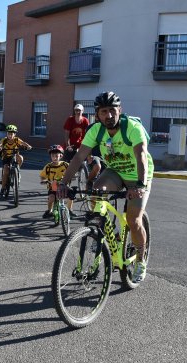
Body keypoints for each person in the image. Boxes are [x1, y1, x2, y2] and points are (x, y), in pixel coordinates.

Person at [57, 91, 154, 283]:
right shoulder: (96, 131)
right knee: (96, 192)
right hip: (116, 171)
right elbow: (78, 157)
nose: (108, 116)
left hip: (138, 176)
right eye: (103, 112)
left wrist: (140, 185)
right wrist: (63, 183)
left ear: (120, 110)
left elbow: (141, 155)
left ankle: (141, 260)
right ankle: (109, 234)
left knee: (134, 220)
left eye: (112, 110)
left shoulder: (132, 128)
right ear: (97, 114)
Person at [0, 124, 32, 197]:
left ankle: (17, 171)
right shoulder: (4, 140)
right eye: (9, 133)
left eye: (12, 133)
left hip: (14, 156)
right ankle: (3, 189)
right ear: (7, 134)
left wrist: (28, 146)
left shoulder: (16, 139)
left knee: (21, 158)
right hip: (6, 157)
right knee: (6, 171)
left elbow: (23, 143)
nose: (10, 135)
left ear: (14, 134)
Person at [39, 145, 76, 218]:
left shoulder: (65, 165)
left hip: (64, 186)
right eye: (53, 156)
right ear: (50, 156)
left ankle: (70, 210)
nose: (55, 157)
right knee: (51, 198)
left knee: (71, 195)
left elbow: (72, 172)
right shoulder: (48, 166)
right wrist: (45, 180)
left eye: (57, 156)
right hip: (53, 187)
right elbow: (42, 176)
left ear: (61, 156)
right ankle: (49, 211)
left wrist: (73, 176)